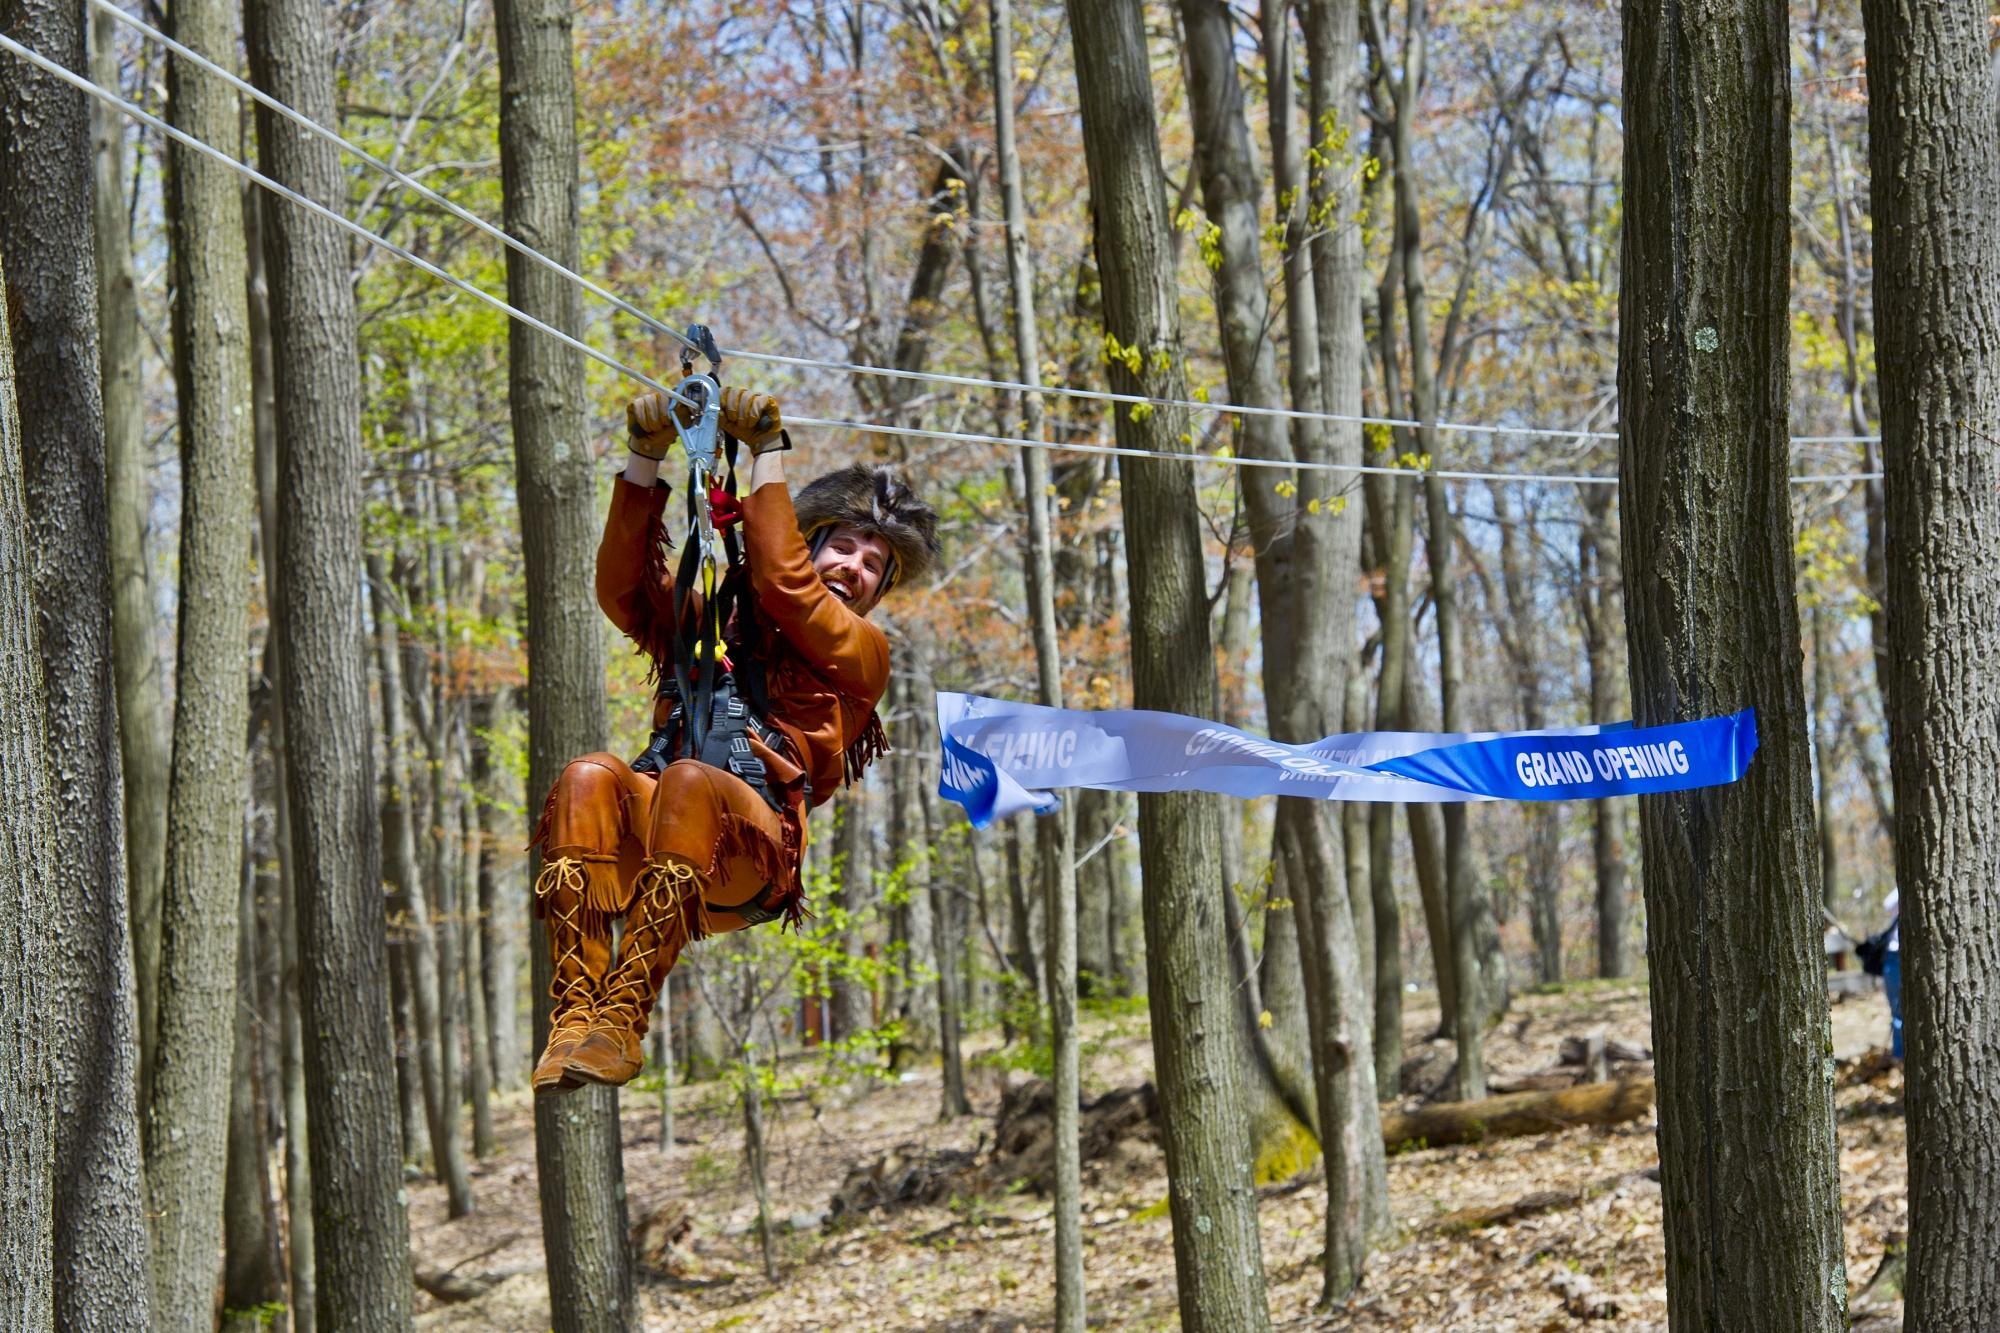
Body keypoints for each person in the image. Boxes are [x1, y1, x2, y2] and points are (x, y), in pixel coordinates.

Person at [528, 382, 939, 1093]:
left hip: (749, 854)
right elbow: (623, 589)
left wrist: (767, 453)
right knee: (587, 775)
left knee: (691, 781)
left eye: (873, 565)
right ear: (814, 544)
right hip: (659, 841)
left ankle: (624, 1018)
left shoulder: (862, 650)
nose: (854, 567)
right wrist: (643, 460)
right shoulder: (716, 625)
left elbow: (784, 584)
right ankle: (578, 1016)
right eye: (843, 547)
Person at [1881, 889, 1903, 1061]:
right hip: (1894, 957)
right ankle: (1899, 1055)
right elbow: (1887, 905)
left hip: (1906, 956)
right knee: (1897, 1010)